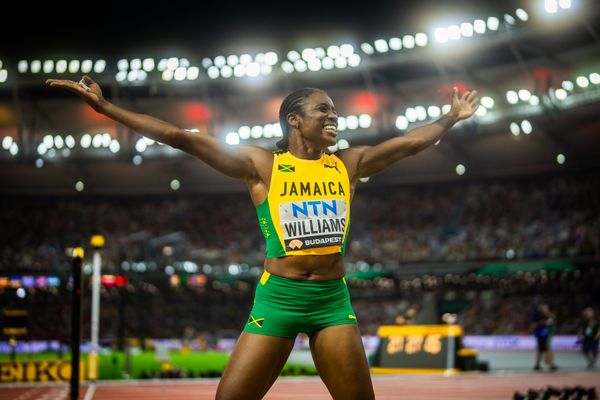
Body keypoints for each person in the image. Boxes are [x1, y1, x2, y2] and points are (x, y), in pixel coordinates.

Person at [46, 75, 479, 399]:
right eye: (322, 110)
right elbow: (180, 137)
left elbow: (410, 143)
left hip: (332, 302)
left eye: (334, 110)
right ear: (295, 120)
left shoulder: (349, 162)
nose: (334, 116)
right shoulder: (262, 166)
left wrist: (451, 118)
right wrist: (106, 109)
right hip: (278, 301)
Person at [531, 303, 558, 371]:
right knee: (540, 349)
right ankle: (538, 364)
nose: (545, 308)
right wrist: (541, 323)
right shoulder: (537, 315)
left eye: (546, 307)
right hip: (539, 334)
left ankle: (550, 364)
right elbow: (533, 324)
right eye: (543, 307)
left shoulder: (549, 315)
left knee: (547, 348)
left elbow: (554, 319)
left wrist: (548, 314)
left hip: (547, 334)